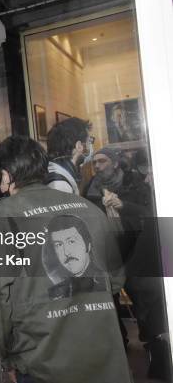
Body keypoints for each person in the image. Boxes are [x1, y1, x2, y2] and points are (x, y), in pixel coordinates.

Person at [0, 136, 131, 383]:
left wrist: (5, 357)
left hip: (42, 363)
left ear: (5, 175)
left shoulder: (2, 215)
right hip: (104, 357)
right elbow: (116, 280)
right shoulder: (89, 208)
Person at [84, 148, 170, 380]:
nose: (97, 166)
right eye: (94, 163)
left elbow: (152, 215)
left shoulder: (136, 184)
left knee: (146, 304)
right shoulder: (90, 189)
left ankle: (154, 346)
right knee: (108, 303)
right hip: (108, 254)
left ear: (115, 163)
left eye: (102, 161)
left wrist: (124, 207)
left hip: (137, 252)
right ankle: (120, 348)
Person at [45, 117, 92, 194]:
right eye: (89, 142)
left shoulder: (56, 171)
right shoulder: (60, 184)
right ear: (79, 146)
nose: (90, 147)